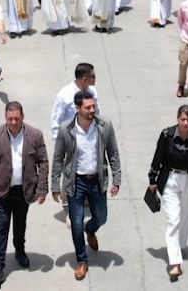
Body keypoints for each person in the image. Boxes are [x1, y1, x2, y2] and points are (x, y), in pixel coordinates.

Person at [0, 101, 49, 290]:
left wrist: (42, 189)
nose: (13, 122)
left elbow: (43, 162)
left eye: (17, 118)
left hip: (24, 191)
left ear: (22, 117)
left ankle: (19, 250)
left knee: (20, 224)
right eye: (10, 119)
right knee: (1, 226)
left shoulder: (35, 135)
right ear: (5, 118)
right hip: (1, 190)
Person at [50, 93, 121, 281]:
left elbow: (113, 153)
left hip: (97, 180)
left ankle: (90, 229)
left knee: (102, 216)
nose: (92, 110)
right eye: (88, 107)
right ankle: (82, 260)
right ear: (77, 108)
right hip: (76, 182)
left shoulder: (104, 126)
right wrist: (55, 184)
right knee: (75, 222)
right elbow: (58, 158)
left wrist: (117, 179)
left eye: (93, 106)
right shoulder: (66, 129)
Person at [148, 104, 188, 282]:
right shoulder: (167, 135)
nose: (185, 123)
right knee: (173, 219)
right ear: (177, 119)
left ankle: (180, 245)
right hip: (170, 179)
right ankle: (175, 261)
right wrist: (152, 179)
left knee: (185, 216)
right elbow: (158, 157)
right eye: (182, 119)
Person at [49, 62, 100, 141]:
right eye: (93, 76)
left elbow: (97, 113)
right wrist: (59, 144)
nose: (95, 78)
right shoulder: (64, 95)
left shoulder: (93, 92)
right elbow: (56, 121)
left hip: (90, 137)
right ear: (85, 78)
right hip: (71, 139)